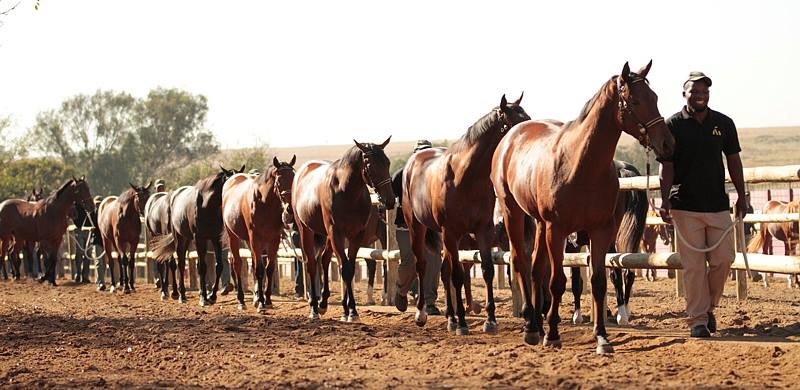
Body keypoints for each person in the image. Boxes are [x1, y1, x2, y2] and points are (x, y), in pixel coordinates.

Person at [658, 71, 746, 338]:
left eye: (704, 92)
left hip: (718, 205)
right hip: (685, 206)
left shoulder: (723, 123)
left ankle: (708, 308)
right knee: (694, 266)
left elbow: (733, 161)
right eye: (694, 92)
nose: (700, 96)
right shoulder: (672, 125)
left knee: (723, 260)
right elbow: (667, 168)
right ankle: (697, 320)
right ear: (684, 94)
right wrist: (663, 201)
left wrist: (742, 196)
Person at [394, 139, 442, 315]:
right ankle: (401, 290)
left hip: (430, 228)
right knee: (408, 261)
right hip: (406, 226)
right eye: (420, 152)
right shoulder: (401, 175)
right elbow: (389, 199)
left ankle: (429, 301)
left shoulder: (435, 175)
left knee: (434, 260)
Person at [91, 196, 107, 291]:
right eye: (96, 203)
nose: (98, 205)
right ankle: (100, 282)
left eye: (99, 203)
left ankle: (100, 280)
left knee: (104, 263)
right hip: (96, 240)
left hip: (105, 241)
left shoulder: (105, 214)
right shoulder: (92, 214)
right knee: (98, 262)